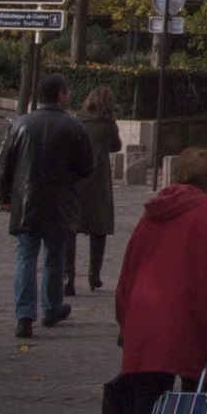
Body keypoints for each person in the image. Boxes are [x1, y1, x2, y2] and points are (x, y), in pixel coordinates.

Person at [114, 147, 207, 412]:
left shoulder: (153, 213)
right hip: (192, 320)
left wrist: (124, 321)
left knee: (147, 410)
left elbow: (129, 269)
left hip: (146, 316)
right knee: (193, 408)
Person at [0, 74, 95, 338]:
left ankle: (24, 316)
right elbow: (87, 167)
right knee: (54, 259)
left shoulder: (21, 125)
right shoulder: (74, 127)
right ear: (61, 95)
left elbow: (4, 166)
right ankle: (51, 309)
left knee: (26, 257)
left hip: (27, 202)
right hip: (60, 203)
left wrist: (5, 197)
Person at [70, 86, 121, 296]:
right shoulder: (107, 125)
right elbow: (116, 146)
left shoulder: (77, 121)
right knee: (99, 228)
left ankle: (68, 275)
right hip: (98, 180)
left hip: (77, 179)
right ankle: (94, 273)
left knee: (71, 228)